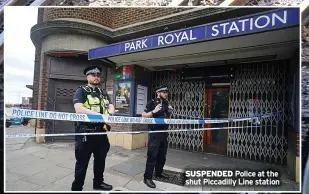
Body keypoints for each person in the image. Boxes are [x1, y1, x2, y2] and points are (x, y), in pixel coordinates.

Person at [71, 65, 115, 191]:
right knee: (82, 163)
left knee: (100, 160)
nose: (96, 77)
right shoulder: (81, 91)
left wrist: (110, 114)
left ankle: (98, 183)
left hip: (101, 132)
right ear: (87, 76)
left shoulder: (103, 92)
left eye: (98, 75)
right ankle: (77, 188)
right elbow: (79, 109)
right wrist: (102, 116)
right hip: (85, 132)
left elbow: (111, 106)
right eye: (93, 75)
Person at [142, 85, 173, 188]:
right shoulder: (151, 103)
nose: (166, 94)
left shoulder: (166, 103)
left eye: (167, 92)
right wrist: (153, 111)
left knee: (162, 155)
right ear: (158, 93)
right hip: (155, 133)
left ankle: (159, 172)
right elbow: (143, 115)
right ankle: (147, 178)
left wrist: (170, 110)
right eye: (164, 92)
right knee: (152, 156)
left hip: (164, 132)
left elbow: (166, 116)